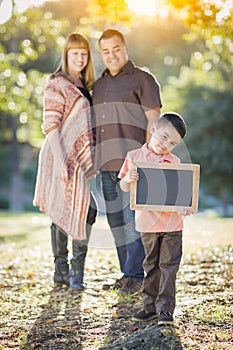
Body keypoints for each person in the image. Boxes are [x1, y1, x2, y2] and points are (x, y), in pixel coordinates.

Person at [92, 29, 162, 293]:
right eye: (106, 51)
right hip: (106, 166)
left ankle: (138, 277)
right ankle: (128, 275)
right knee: (116, 224)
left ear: (125, 47)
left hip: (133, 165)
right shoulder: (98, 85)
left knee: (135, 223)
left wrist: (148, 158)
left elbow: (153, 120)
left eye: (116, 49)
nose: (111, 55)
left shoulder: (143, 79)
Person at [33, 32, 97, 290]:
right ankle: (64, 271)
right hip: (57, 155)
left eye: (84, 53)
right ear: (66, 55)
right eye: (75, 53)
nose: (80, 58)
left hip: (79, 159)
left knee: (87, 210)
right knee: (62, 211)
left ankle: (74, 271)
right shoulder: (56, 83)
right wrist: (61, 161)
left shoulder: (87, 85)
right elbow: (51, 125)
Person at [119, 112, 193, 325]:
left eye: (172, 143)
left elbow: (182, 195)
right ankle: (149, 306)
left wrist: (186, 207)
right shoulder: (134, 157)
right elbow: (123, 186)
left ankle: (166, 311)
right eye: (163, 137)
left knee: (169, 266)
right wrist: (128, 179)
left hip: (172, 224)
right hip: (148, 224)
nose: (165, 144)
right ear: (153, 130)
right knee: (150, 265)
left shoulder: (175, 161)